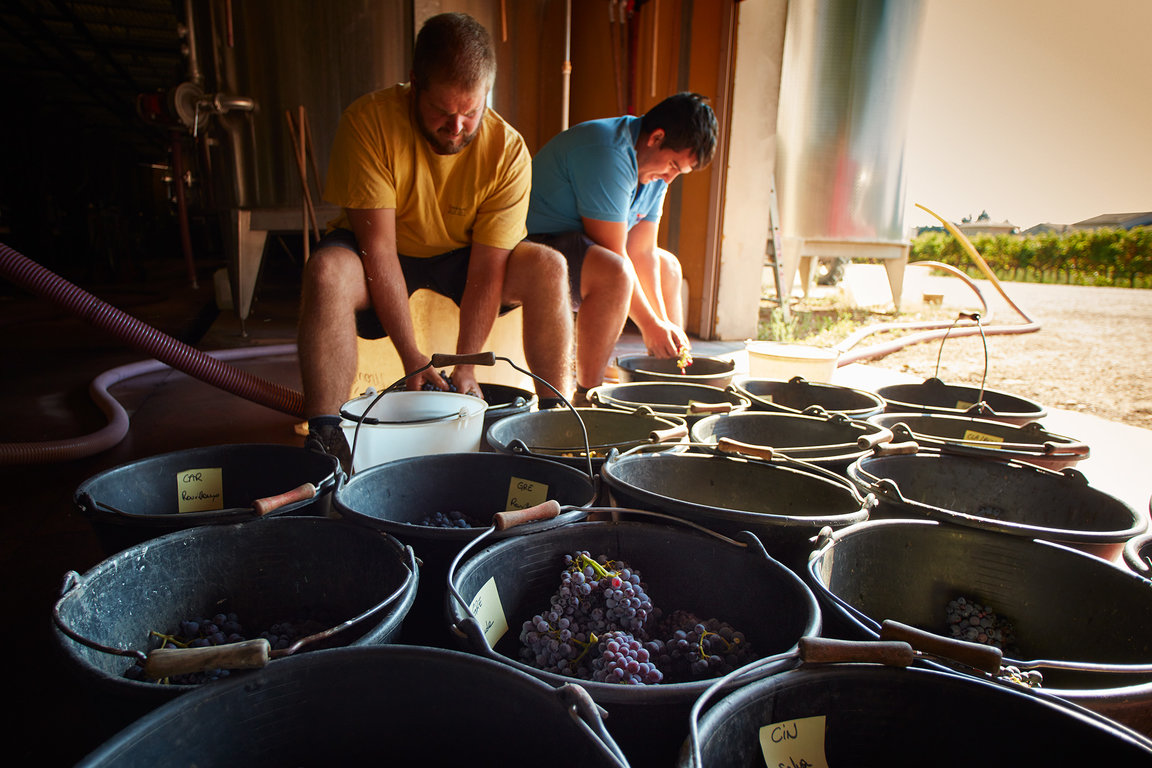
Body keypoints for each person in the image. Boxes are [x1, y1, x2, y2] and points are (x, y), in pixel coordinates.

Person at [298, 12, 573, 472]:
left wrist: (465, 365)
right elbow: (379, 250)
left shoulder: (506, 150)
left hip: (463, 254)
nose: (458, 127)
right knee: (325, 273)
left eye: (471, 112)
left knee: (550, 267)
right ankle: (325, 437)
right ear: (413, 84)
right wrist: (413, 360)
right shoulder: (369, 123)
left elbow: (488, 268)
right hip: (383, 251)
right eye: (443, 112)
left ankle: (557, 424)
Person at [526, 92, 718, 402]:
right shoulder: (608, 152)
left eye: (678, 173)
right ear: (656, 137)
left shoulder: (656, 174)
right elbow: (616, 254)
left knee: (668, 267)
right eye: (671, 165)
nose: (670, 178)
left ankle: (667, 374)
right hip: (534, 246)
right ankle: (587, 394)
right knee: (615, 273)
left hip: (579, 246)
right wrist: (648, 323)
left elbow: (643, 251)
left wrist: (661, 323)